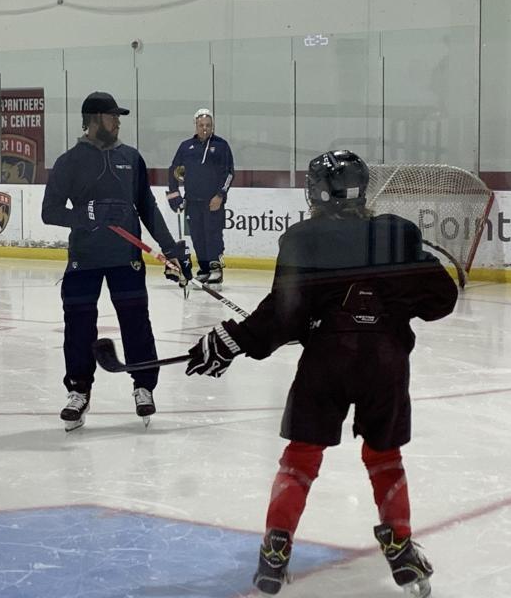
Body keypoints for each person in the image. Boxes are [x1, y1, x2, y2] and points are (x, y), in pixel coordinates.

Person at [184, 150, 458, 596]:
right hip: (385, 364)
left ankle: (275, 549)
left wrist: (232, 341)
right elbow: (441, 300)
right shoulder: (395, 234)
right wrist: (403, 280)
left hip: (327, 362)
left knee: (301, 457)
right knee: (385, 457)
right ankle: (401, 547)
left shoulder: (303, 239)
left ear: (316, 192)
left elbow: (283, 317)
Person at [42, 91, 192, 431]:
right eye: (112, 116)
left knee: (136, 322)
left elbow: (148, 208)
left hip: (126, 258)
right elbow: (49, 212)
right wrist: (87, 214)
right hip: (84, 259)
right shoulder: (69, 162)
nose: (118, 122)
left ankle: (143, 386)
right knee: (78, 326)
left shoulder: (131, 158)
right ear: (94, 120)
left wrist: (171, 250)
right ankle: (79, 391)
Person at [166, 108, 234, 285]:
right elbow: (173, 171)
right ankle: (204, 269)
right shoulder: (186, 146)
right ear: (195, 125)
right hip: (192, 201)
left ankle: (215, 269)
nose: (205, 128)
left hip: (212, 202)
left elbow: (228, 174)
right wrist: (174, 196)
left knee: (213, 235)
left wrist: (220, 195)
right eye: (201, 125)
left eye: (208, 125)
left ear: (213, 126)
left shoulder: (221, 145)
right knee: (197, 236)